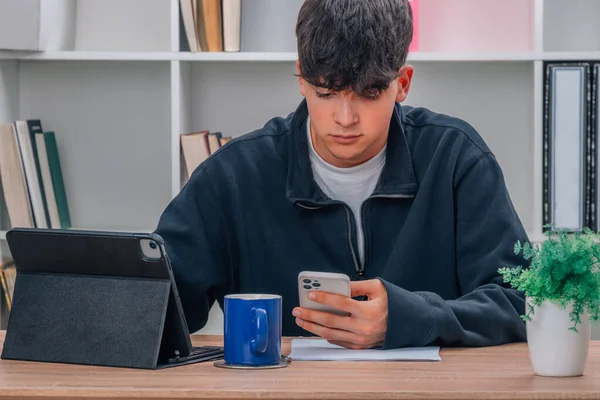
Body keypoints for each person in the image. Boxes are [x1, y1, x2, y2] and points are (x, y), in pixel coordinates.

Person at [154, 0, 530, 350]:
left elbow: (522, 301)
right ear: (301, 78)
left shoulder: (456, 158)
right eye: (327, 92)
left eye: (369, 93)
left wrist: (414, 318)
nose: (346, 118)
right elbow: (157, 309)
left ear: (402, 83)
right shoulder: (231, 177)